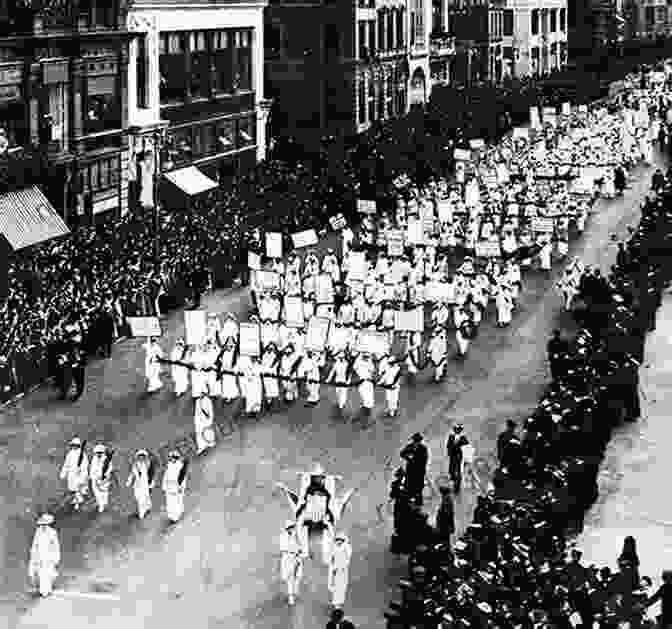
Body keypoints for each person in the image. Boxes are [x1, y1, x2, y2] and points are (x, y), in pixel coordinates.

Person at [28, 514, 61, 597]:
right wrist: (33, 553)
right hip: (40, 554)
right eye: (42, 524)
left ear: (48, 524)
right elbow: (35, 543)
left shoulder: (52, 532)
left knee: (48, 573)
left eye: (45, 524)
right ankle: (42, 590)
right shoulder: (38, 532)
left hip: (49, 555)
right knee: (40, 573)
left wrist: (56, 557)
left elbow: (56, 545)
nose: (43, 526)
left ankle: (46, 590)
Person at [59, 437, 89, 511]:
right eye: (73, 445)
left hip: (79, 474)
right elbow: (66, 464)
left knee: (78, 488)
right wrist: (63, 473)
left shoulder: (82, 455)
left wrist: (81, 470)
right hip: (71, 474)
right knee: (73, 489)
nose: (74, 446)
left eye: (76, 445)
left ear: (78, 446)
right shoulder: (70, 454)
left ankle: (77, 503)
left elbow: (85, 464)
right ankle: (75, 500)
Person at [400, 433, 429, 506]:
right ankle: (408, 503)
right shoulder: (409, 447)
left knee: (418, 488)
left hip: (419, 471)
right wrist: (408, 457)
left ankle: (418, 503)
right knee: (408, 486)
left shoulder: (423, 448)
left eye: (417, 441)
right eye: (415, 441)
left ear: (420, 441)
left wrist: (416, 461)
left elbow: (424, 459)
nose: (416, 442)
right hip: (410, 471)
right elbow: (402, 453)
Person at [280, 520, 304, 606]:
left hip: (296, 558)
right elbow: (283, 548)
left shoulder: (295, 536)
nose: (291, 529)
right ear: (286, 529)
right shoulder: (283, 537)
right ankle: (291, 596)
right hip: (288, 559)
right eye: (289, 528)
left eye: (292, 527)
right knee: (289, 577)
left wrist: (299, 553)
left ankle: (295, 591)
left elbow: (300, 546)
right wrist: (294, 551)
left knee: (297, 576)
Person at [126, 449, 154, 519]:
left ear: (145, 457)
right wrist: (129, 481)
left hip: (145, 484)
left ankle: (142, 512)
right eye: (140, 456)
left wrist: (151, 483)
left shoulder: (148, 465)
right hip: (137, 485)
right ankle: (148, 506)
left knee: (143, 498)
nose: (141, 458)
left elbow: (151, 474)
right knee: (138, 497)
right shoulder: (135, 465)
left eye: (143, 456)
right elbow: (132, 474)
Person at [327, 532, 352, 610]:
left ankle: (339, 602)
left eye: (341, 540)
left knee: (342, 586)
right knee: (335, 586)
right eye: (337, 540)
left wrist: (343, 566)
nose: (339, 541)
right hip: (335, 569)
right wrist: (333, 567)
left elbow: (348, 559)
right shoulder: (333, 548)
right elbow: (330, 558)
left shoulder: (346, 548)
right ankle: (336, 603)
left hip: (343, 569)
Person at [162, 450, 187, 524]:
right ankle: (171, 516)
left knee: (177, 501)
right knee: (169, 502)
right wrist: (164, 486)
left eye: (173, 458)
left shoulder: (180, 466)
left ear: (176, 458)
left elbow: (182, 478)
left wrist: (181, 487)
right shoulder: (169, 466)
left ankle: (176, 516)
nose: (172, 459)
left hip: (176, 487)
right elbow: (165, 476)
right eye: (171, 458)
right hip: (169, 487)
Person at [88, 444, 113, 513]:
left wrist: (105, 475)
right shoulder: (94, 459)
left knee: (104, 491)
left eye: (100, 453)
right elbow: (92, 468)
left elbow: (109, 468)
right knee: (96, 491)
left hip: (104, 479)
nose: (98, 454)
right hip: (95, 478)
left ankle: (104, 503)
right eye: (97, 453)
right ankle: (100, 504)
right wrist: (92, 476)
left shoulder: (106, 459)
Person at [446, 424, 468, 492]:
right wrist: (449, 452)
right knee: (451, 471)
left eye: (458, 429)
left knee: (459, 472)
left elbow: (466, 448)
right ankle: (454, 479)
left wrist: (466, 458)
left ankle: (457, 485)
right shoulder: (451, 436)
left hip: (460, 457)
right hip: (453, 457)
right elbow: (448, 445)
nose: (457, 431)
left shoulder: (463, 438)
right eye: (456, 429)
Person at [194, 388, 216, 454]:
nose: (200, 395)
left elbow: (210, 411)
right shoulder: (197, 401)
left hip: (206, 419)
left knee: (208, 431)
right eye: (199, 393)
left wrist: (210, 420)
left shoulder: (208, 401)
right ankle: (201, 446)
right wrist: (196, 420)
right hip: (199, 420)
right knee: (199, 433)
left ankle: (210, 442)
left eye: (201, 393)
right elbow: (196, 411)